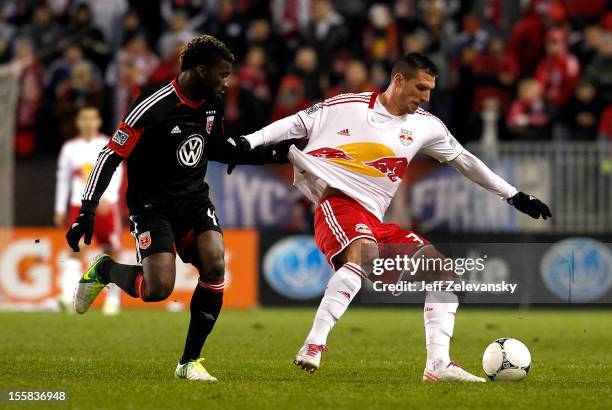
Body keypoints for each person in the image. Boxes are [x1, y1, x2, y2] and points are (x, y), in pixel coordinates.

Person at [234, 53, 551, 382]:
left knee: (443, 272)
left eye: (430, 90)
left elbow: (466, 161)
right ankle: (314, 344)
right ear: (398, 80)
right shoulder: (350, 105)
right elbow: (294, 123)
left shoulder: (426, 126)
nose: (426, 97)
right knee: (359, 255)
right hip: (339, 202)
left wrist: (513, 195)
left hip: (374, 219)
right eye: (421, 88)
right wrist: (247, 141)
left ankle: (438, 365)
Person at [65, 35, 293, 382]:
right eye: (222, 73)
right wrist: (87, 210)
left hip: (194, 201)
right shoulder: (152, 107)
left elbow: (214, 148)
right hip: (151, 206)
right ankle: (106, 269)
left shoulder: (211, 103)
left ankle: (189, 362)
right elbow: (111, 154)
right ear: (200, 70)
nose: (226, 81)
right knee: (157, 290)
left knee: (215, 264)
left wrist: (275, 153)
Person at [54, 106, 123, 315]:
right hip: (79, 204)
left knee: (109, 249)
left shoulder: (107, 144)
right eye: (84, 118)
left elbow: (118, 171)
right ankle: (67, 296)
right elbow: (63, 179)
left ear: (98, 121)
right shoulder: (69, 148)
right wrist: (59, 207)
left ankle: (112, 299)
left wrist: (108, 198)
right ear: (78, 122)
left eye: (91, 118)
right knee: (76, 247)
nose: (87, 122)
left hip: (104, 205)